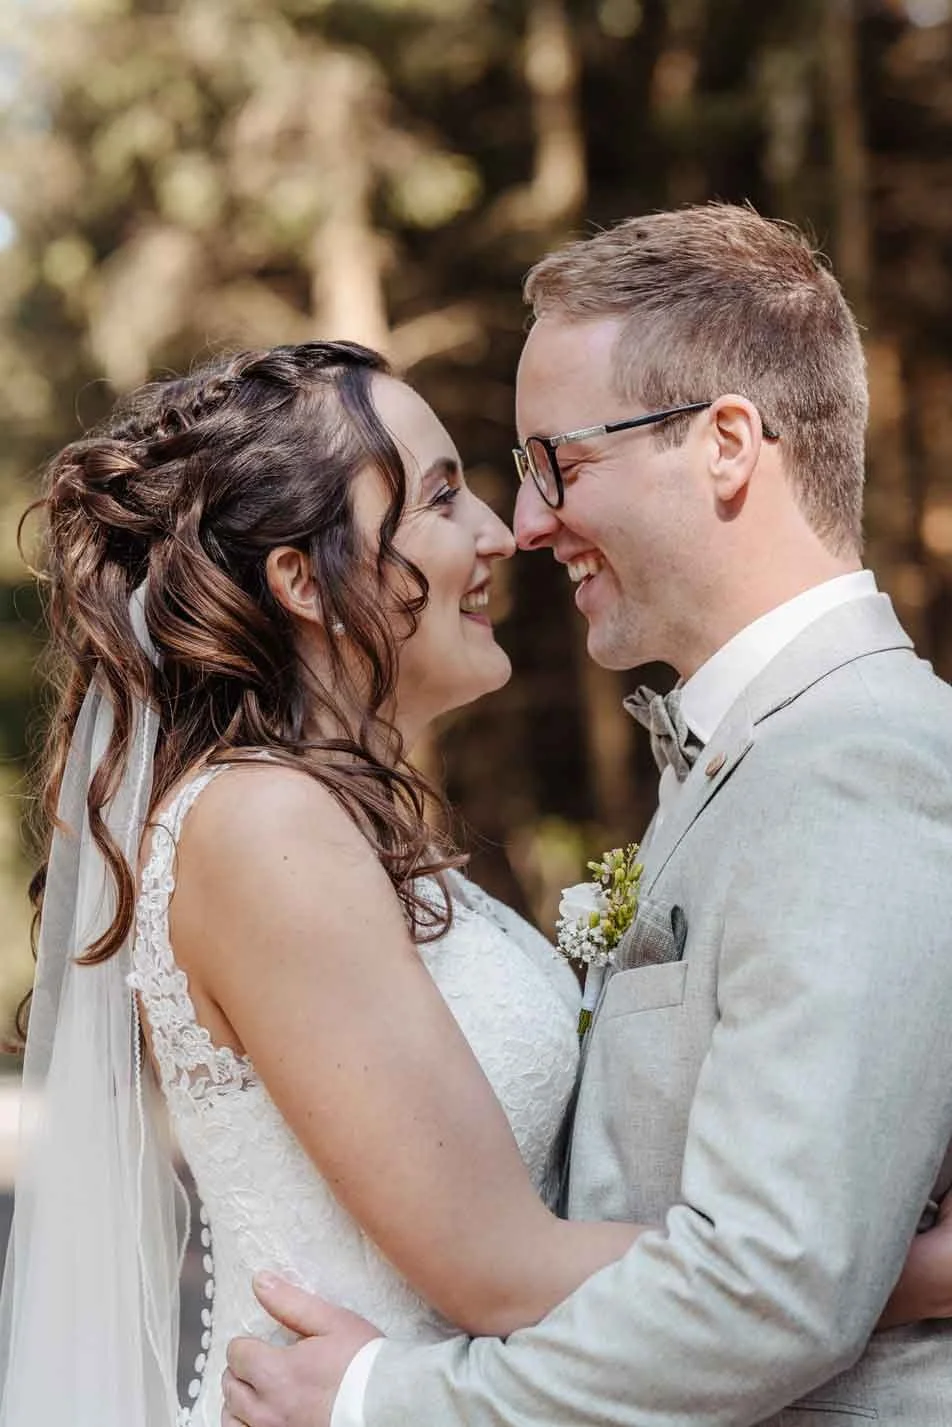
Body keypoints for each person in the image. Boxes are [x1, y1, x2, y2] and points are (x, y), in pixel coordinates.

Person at [225, 206, 952, 1426]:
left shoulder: (858, 759)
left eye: (561, 459)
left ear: (726, 443)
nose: (529, 521)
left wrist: (383, 1401)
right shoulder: (752, 760)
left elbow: (774, 1282)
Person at [0, 338, 690, 1427]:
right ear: (301, 579)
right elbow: (499, 1267)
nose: (500, 534)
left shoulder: (340, 826)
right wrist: (878, 1265)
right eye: (443, 498)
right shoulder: (264, 825)